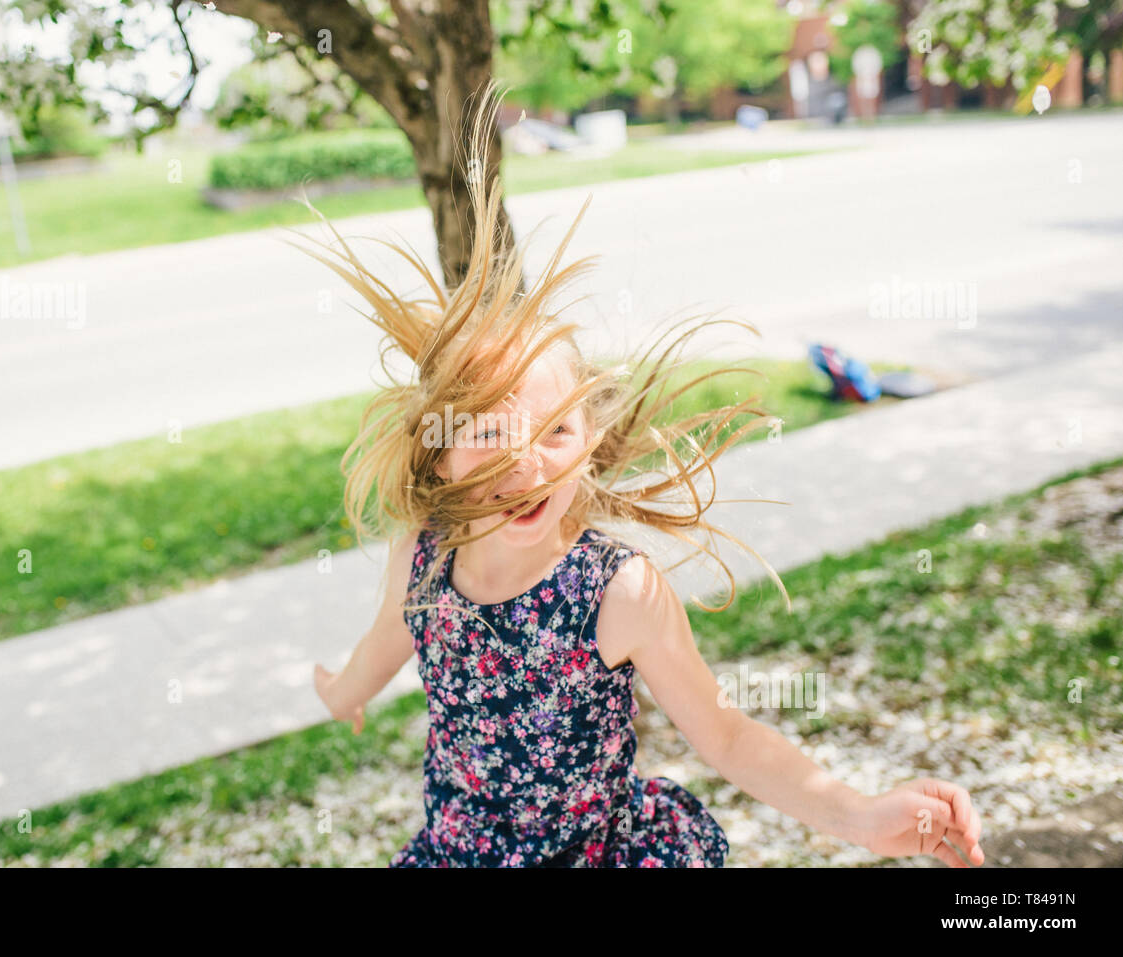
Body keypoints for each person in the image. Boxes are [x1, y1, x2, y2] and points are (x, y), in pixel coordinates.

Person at [300, 80, 984, 868]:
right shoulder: (423, 555)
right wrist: (339, 692)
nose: (528, 462)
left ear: (590, 436)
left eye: (556, 430)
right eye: (491, 434)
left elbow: (729, 734)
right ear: (441, 448)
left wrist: (863, 816)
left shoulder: (618, 592)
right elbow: (382, 645)